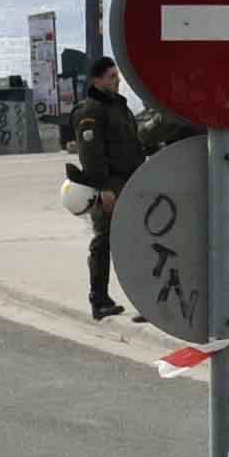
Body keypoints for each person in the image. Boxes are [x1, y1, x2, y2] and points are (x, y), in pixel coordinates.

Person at [62, 55, 143, 322]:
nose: (117, 80)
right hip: (109, 186)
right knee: (104, 241)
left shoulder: (118, 107)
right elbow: (92, 153)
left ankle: (142, 300)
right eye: (111, 76)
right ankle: (99, 299)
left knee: (135, 241)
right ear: (97, 80)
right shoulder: (90, 111)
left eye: (117, 76)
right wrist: (105, 187)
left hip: (130, 181)